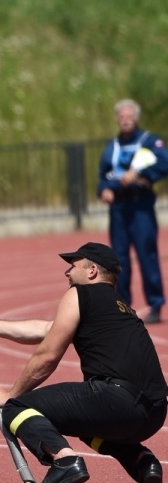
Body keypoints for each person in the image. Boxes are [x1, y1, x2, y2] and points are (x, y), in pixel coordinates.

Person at [0, 242, 167, 483]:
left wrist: (12, 394)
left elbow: (47, 356)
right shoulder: (120, 307)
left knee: (18, 407)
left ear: (91, 271)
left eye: (72, 266)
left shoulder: (81, 294)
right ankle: (144, 462)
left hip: (117, 400)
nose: (66, 273)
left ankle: (65, 461)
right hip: (154, 412)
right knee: (88, 430)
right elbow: (46, 330)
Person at [97, 98, 168, 324]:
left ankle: (156, 304)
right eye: (122, 117)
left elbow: (164, 164)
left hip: (141, 207)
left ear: (136, 118)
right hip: (119, 209)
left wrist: (140, 175)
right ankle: (122, 305)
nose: (126, 121)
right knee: (119, 258)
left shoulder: (150, 141)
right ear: (117, 119)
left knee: (147, 255)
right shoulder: (112, 146)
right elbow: (103, 177)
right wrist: (104, 191)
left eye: (130, 117)